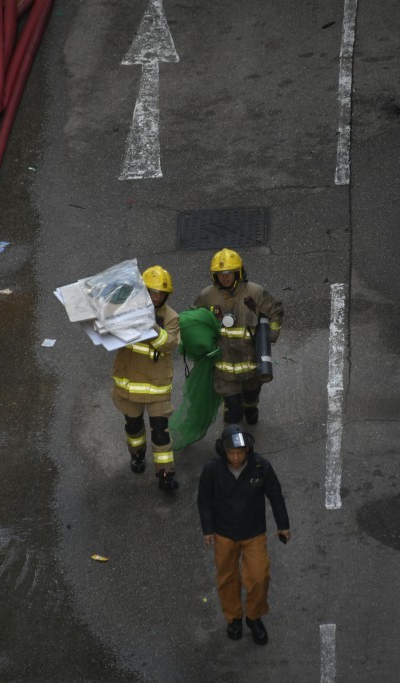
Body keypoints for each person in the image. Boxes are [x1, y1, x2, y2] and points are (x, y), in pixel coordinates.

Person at [197, 424, 290, 645]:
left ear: (248, 450)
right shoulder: (212, 469)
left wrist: (283, 524)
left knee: (259, 577)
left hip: (253, 533)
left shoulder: (261, 466)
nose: (236, 457)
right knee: (227, 579)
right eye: (232, 453)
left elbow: (275, 495)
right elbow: (204, 501)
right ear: (224, 451)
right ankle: (234, 619)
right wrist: (207, 529)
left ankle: (254, 617)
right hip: (224, 534)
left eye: (240, 452)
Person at [193, 248, 283, 426]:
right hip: (223, 369)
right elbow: (193, 317)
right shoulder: (207, 296)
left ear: (238, 272)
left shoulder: (255, 293)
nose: (224, 277)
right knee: (232, 410)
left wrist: (270, 335)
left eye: (228, 273)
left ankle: (251, 407)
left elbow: (276, 311)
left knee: (250, 397)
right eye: (220, 274)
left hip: (251, 365)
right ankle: (233, 443)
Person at [111, 265, 181, 491]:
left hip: (157, 388)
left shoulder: (170, 317)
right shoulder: (126, 310)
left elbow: (169, 343)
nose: (155, 297)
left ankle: (165, 474)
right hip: (129, 385)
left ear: (166, 295)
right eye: (150, 292)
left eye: (159, 293)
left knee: (160, 432)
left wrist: (151, 326)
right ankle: (137, 455)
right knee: (133, 427)